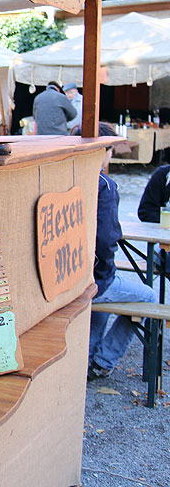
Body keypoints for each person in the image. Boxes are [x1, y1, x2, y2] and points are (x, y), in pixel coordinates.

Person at [78, 123, 159, 379]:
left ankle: (88, 357)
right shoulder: (104, 186)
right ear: (102, 150)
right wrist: (104, 274)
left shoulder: (67, 176)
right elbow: (107, 239)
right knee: (148, 297)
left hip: (68, 277)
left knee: (106, 289)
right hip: (91, 279)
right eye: (111, 149)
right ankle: (104, 360)